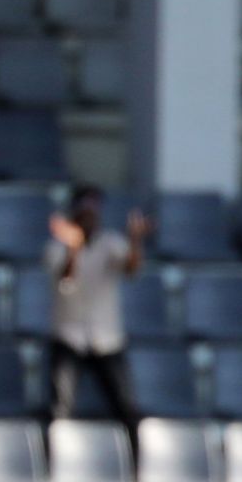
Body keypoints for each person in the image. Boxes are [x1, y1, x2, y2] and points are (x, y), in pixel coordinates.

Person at [45, 186, 148, 452]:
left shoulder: (111, 242)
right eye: (84, 213)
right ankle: (55, 463)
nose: (90, 218)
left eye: (93, 212)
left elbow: (131, 268)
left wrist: (135, 240)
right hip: (69, 337)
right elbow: (66, 279)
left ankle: (136, 467)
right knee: (60, 409)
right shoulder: (56, 248)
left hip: (107, 338)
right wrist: (74, 247)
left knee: (127, 408)